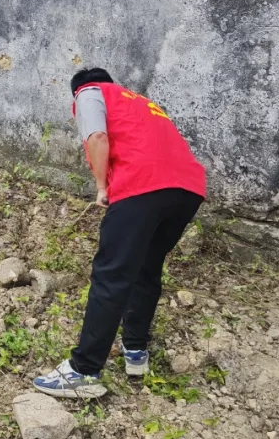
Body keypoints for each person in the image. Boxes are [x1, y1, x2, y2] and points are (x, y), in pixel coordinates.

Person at [33, 67, 207, 398]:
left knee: (111, 275)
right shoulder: (141, 103)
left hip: (142, 185)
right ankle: (136, 351)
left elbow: (98, 137)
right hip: (188, 190)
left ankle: (84, 371)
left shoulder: (89, 92)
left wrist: (101, 187)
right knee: (146, 267)